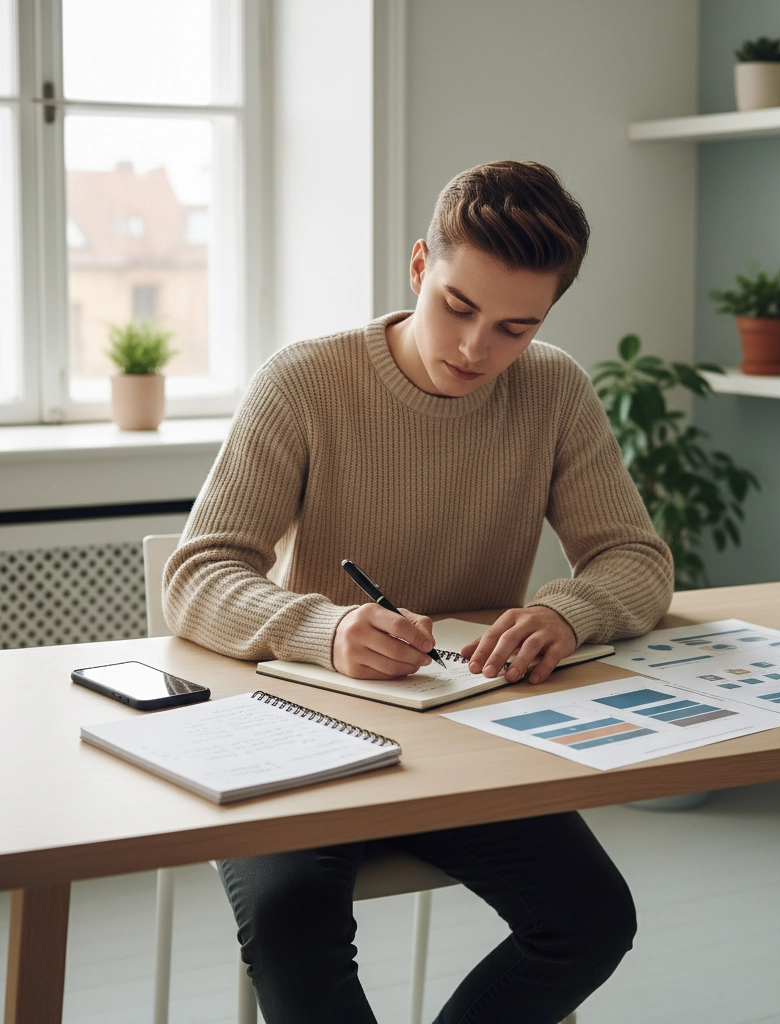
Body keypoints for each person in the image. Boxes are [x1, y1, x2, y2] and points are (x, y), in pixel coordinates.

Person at [164, 160, 674, 1024]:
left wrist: (565, 611)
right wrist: (322, 630)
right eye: (458, 307)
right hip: (298, 739)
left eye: (516, 327)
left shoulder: (553, 389)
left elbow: (635, 557)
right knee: (294, 929)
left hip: (468, 739)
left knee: (591, 920)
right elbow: (197, 575)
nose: (477, 349)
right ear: (417, 267)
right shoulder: (304, 382)